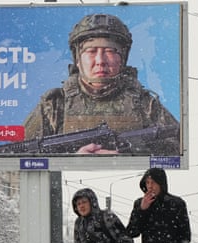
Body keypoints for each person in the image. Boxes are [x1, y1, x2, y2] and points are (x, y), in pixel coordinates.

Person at [23, 14, 180, 155]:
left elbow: (178, 146)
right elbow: (20, 158)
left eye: (110, 51)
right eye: (91, 51)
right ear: (78, 59)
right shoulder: (54, 105)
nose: (100, 61)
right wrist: (73, 160)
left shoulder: (145, 104)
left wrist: (129, 153)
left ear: (123, 58)